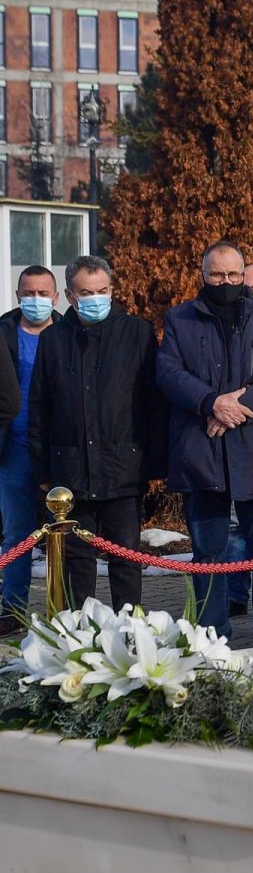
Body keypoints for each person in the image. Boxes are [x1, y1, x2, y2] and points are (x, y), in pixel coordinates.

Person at [157, 241, 253, 641]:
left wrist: (241, 404)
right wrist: (210, 403)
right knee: (208, 550)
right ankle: (211, 635)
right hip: (202, 451)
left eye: (234, 275)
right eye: (218, 275)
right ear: (203, 275)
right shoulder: (180, 319)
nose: (227, 282)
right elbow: (168, 373)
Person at [27, 256, 159, 612]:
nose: (95, 298)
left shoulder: (137, 333)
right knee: (77, 561)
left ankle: (131, 630)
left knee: (126, 558)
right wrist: (42, 471)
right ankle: (79, 636)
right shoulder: (54, 339)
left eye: (102, 291)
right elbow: (40, 405)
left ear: (112, 290)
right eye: (86, 292)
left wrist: (151, 463)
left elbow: (152, 403)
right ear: (70, 295)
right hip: (70, 471)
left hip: (123, 468)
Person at [0, 265, 60, 627]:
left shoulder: (70, 334)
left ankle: (64, 606)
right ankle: (14, 607)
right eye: (28, 293)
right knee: (17, 533)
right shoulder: (4, 332)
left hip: (60, 448)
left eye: (42, 293)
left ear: (55, 298)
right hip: (14, 448)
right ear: (18, 294)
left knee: (65, 531)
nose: (35, 300)